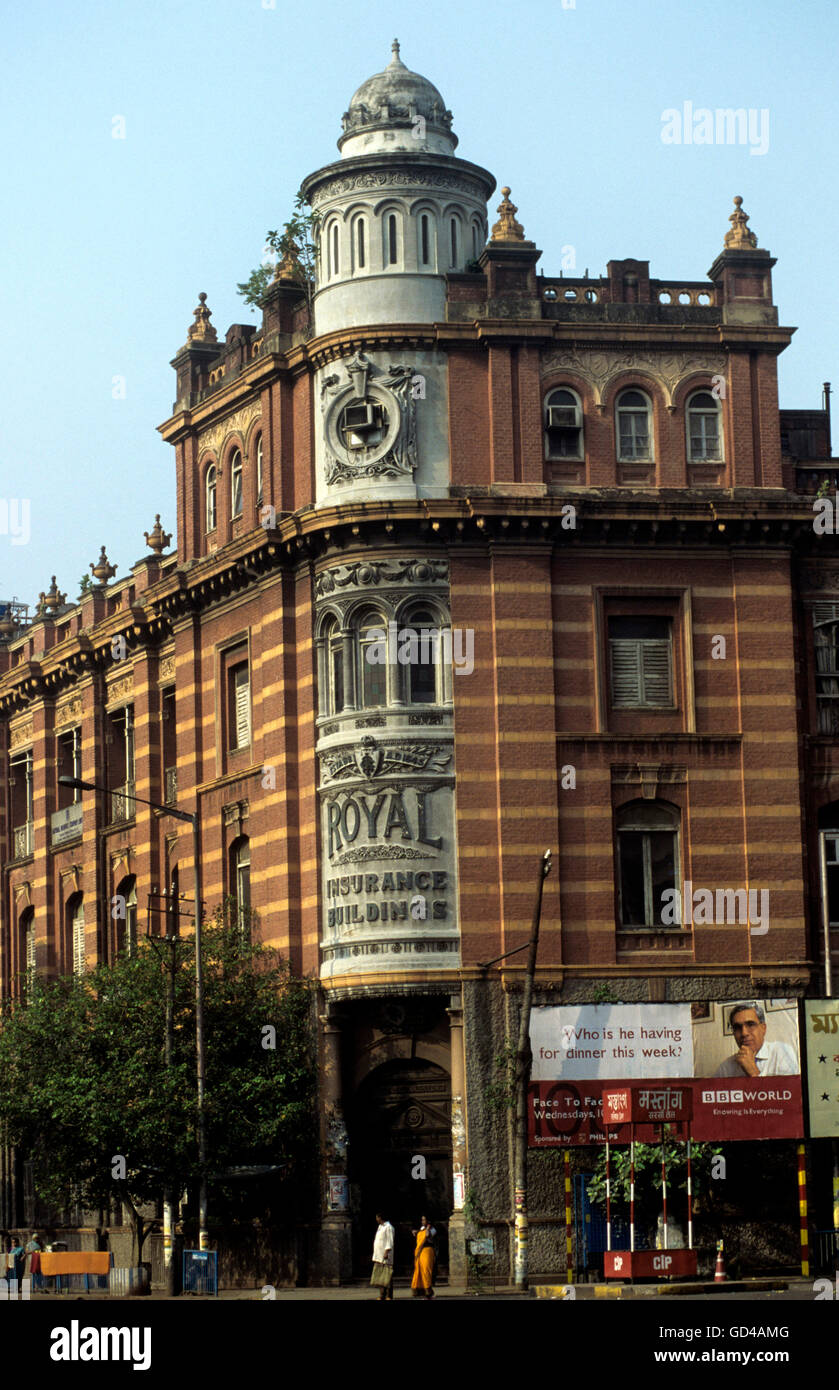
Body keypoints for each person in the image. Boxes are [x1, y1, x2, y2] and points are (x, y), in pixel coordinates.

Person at [713, 1003, 798, 1077]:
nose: (744, 1033)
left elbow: (792, 1093)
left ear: (763, 1028)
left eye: (750, 1024)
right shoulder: (725, 1066)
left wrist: (754, 1072)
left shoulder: (782, 1052)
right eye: (737, 1027)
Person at [411, 1214, 437, 1299]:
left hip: (428, 1251)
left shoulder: (432, 1229)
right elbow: (419, 1236)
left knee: (426, 1271)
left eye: (424, 1220)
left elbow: (427, 1235)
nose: (423, 1222)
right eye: (422, 1220)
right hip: (420, 1252)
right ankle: (420, 1291)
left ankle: (428, 1291)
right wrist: (415, 1232)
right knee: (419, 1270)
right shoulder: (421, 1229)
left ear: (428, 1221)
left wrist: (428, 1228)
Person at [371, 1212, 395, 1301]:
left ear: (380, 1218)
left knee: (387, 1275)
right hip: (379, 1254)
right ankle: (382, 1294)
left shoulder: (389, 1227)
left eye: (377, 1217)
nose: (376, 1219)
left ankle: (389, 1295)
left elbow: (390, 1241)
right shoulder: (380, 1227)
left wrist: (386, 1252)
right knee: (380, 1276)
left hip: (385, 1255)